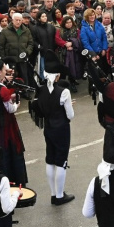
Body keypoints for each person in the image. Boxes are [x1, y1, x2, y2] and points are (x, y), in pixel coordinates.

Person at [30, 60, 76, 205]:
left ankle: (53, 194)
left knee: (50, 159)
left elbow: (40, 107)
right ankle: (60, 196)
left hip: (48, 128)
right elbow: (70, 115)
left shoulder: (41, 90)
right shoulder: (64, 92)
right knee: (61, 161)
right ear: (57, 76)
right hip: (61, 129)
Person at [0, 59, 28, 186]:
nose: (5, 71)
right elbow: (10, 109)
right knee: (9, 152)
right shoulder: (2, 89)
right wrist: (16, 104)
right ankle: (12, 179)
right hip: (4, 125)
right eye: (3, 69)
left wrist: (9, 97)